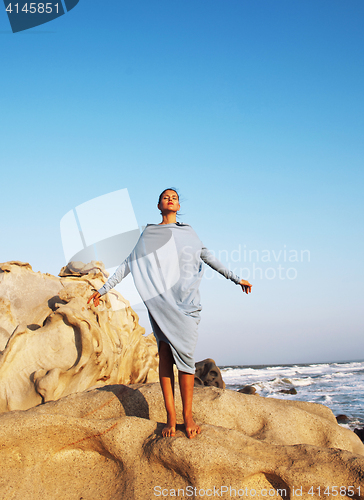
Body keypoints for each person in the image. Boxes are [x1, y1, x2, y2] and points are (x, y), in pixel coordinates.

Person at [88, 188, 252, 439]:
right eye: (166, 197)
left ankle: (188, 416)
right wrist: (103, 289)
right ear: (158, 205)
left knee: (186, 359)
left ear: (178, 205)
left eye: (174, 197)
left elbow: (209, 257)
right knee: (164, 354)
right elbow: (129, 264)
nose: (171, 199)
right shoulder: (149, 234)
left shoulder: (189, 233)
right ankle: (171, 418)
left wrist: (236, 278)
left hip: (186, 302)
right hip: (161, 302)